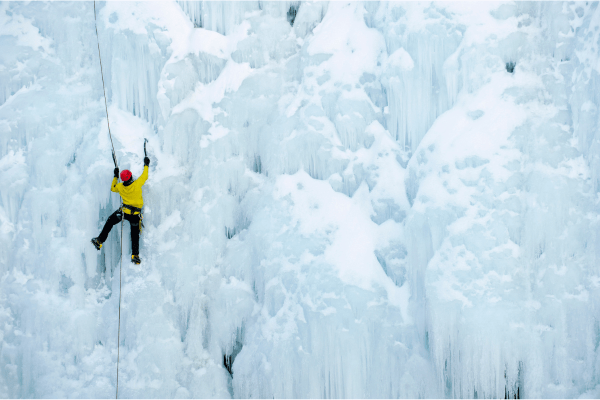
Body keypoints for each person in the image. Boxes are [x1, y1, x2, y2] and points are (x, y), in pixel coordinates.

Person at [91, 156, 150, 264]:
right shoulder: (137, 184)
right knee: (134, 234)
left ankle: (99, 241)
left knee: (110, 221)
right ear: (131, 177)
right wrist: (146, 164)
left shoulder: (120, 187)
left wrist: (115, 176)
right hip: (135, 214)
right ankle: (135, 255)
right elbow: (145, 176)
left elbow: (113, 188)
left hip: (123, 213)